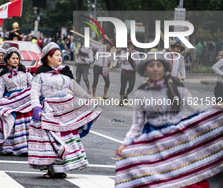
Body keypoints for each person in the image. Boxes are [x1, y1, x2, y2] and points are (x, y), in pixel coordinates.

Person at [115, 52, 223, 188]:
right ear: (145, 70)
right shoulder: (142, 92)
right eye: (151, 65)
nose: (155, 69)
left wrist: (215, 106)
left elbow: (196, 108)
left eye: (158, 65)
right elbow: (137, 123)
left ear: (164, 68)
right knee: (145, 171)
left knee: (179, 173)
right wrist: (125, 143)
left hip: (175, 137)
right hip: (151, 138)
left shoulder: (178, 88)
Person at [28, 42, 102, 178]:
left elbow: (75, 88)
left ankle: (62, 169)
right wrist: (36, 107)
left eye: (60, 55)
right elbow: (34, 92)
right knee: (52, 140)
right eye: (56, 55)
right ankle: (51, 169)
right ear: (48, 57)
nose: (59, 57)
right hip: (49, 110)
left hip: (65, 111)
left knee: (66, 138)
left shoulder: (65, 72)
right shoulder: (40, 74)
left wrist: (88, 98)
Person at [0, 47, 33, 155]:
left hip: (25, 100)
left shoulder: (24, 71)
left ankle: (27, 147)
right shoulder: (3, 75)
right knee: (6, 116)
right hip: (11, 100)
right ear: (8, 60)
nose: (16, 60)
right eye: (13, 58)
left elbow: (32, 84)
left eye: (17, 58)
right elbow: (0, 91)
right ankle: (10, 146)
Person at [119, 40, 137, 106]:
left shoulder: (136, 53)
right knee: (123, 86)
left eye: (132, 45)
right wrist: (128, 53)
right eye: (130, 45)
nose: (131, 46)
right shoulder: (123, 52)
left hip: (132, 72)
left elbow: (137, 61)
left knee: (131, 86)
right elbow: (122, 59)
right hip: (124, 71)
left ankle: (126, 95)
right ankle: (121, 101)